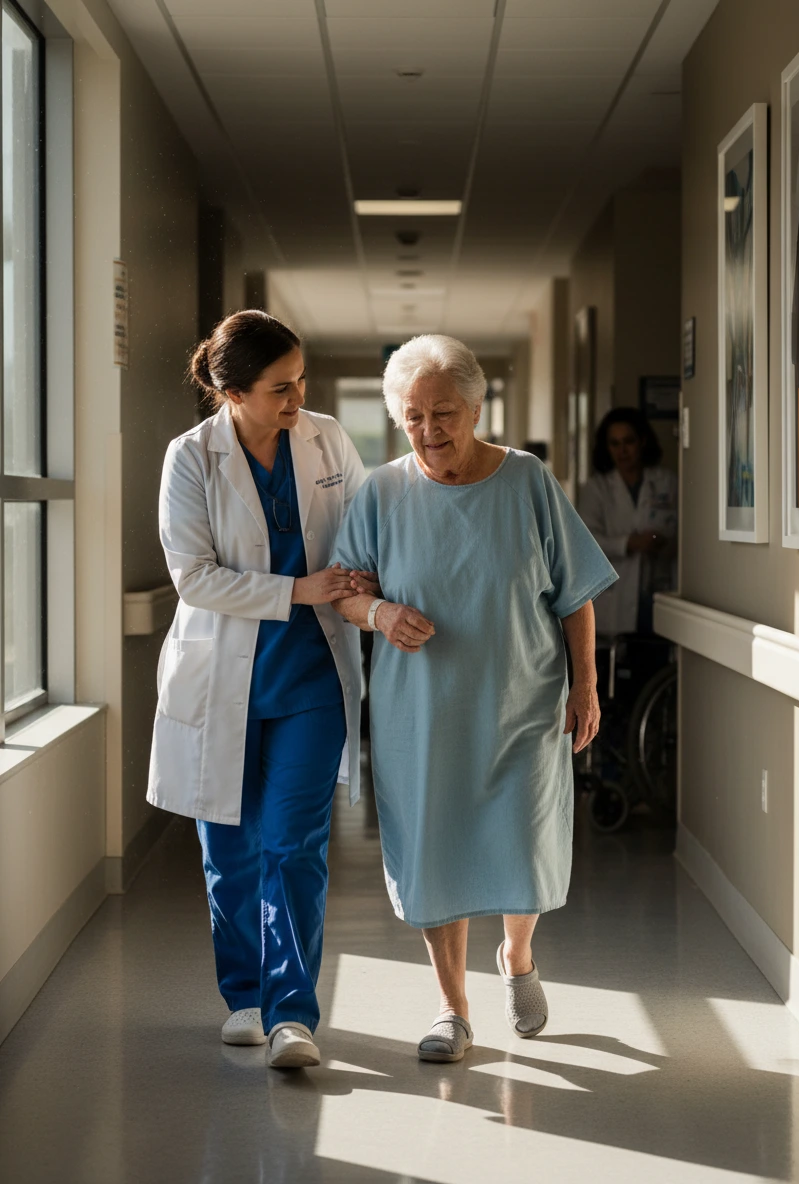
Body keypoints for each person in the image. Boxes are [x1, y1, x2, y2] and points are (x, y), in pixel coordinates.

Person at [330, 334, 617, 1062]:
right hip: (421, 712)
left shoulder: (526, 480)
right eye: (413, 416)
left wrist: (586, 684)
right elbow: (345, 592)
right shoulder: (382, 493)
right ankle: (451, 1010)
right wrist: (379, 614)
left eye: (444, 413)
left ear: (477, 408)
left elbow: (576, 593)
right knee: (435, 850)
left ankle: (517, 955)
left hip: (523, 703)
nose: (429, 431)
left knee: (525, 842)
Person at [147, 310, 377, 1071]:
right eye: (281, 388)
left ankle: (292, 1014)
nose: (297, 399)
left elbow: (364, 527)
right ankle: (244, 996)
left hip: (311, 677)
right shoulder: (191, 457)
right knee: (231, 849)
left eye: (301, 380)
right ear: (233, 392)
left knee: (294, 845)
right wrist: (298, 589)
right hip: (223, 679)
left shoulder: (326, 440)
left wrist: (364, 580)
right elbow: (193, 577)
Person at [578, 408, 677, 637]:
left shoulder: (667, 482)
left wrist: (660, 542)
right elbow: (585, 542)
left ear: (642, 441)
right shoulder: (597, 488)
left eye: (628, 442)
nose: (622, 451)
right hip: (615, 596)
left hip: (658, 586)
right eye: (614, 443)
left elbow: (682, 533)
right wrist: (628, 543)